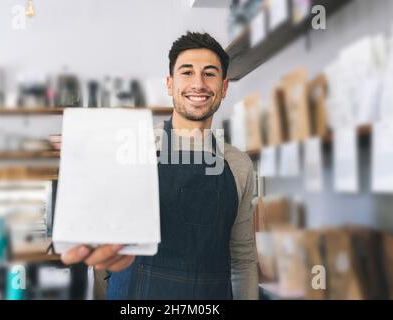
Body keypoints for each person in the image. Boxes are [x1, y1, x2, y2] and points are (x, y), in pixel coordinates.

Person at [53, 32, 258, 300]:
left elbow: (242, 261)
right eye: (187, 72)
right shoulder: (132, 149)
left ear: (224, 86)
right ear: (170, 84)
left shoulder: (239, 165)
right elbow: (105, 254)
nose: (198, 83)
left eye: (209, 73)